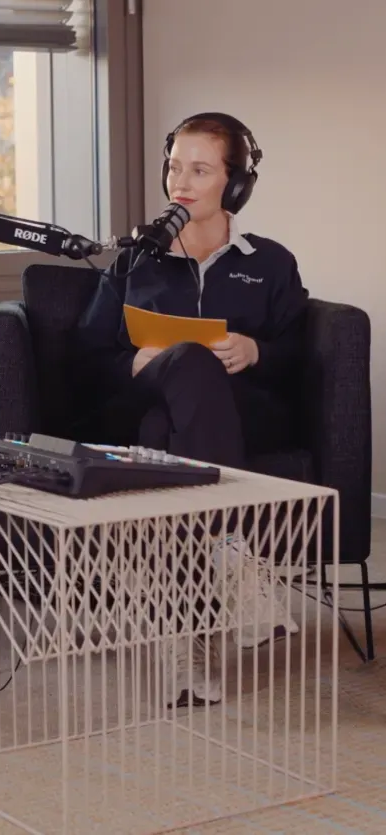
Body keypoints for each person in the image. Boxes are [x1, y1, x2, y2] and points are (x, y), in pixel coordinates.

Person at [72, 111, 304, 707]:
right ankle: (233, 557)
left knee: (165, 429)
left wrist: (256, 351)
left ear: (236, 184)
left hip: (240, 409)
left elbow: (302, 353)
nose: (181, 181)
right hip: (142, 398)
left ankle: (186, 639)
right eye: (175, 166)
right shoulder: (135, 260)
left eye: (200, 170)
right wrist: (136, 361)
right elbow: (88, 355)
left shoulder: (270, 262)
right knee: (179, 374)